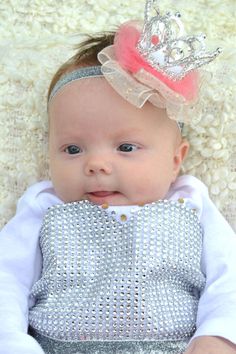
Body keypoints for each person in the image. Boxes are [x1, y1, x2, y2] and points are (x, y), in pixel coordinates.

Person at [0, 1, 236, 353]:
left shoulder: (191, 202)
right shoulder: (43, 206)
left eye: (126, 147)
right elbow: (7, 281)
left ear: (176, 160)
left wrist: (217, 335)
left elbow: (228, 278)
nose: (96, 165)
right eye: (72, 150)